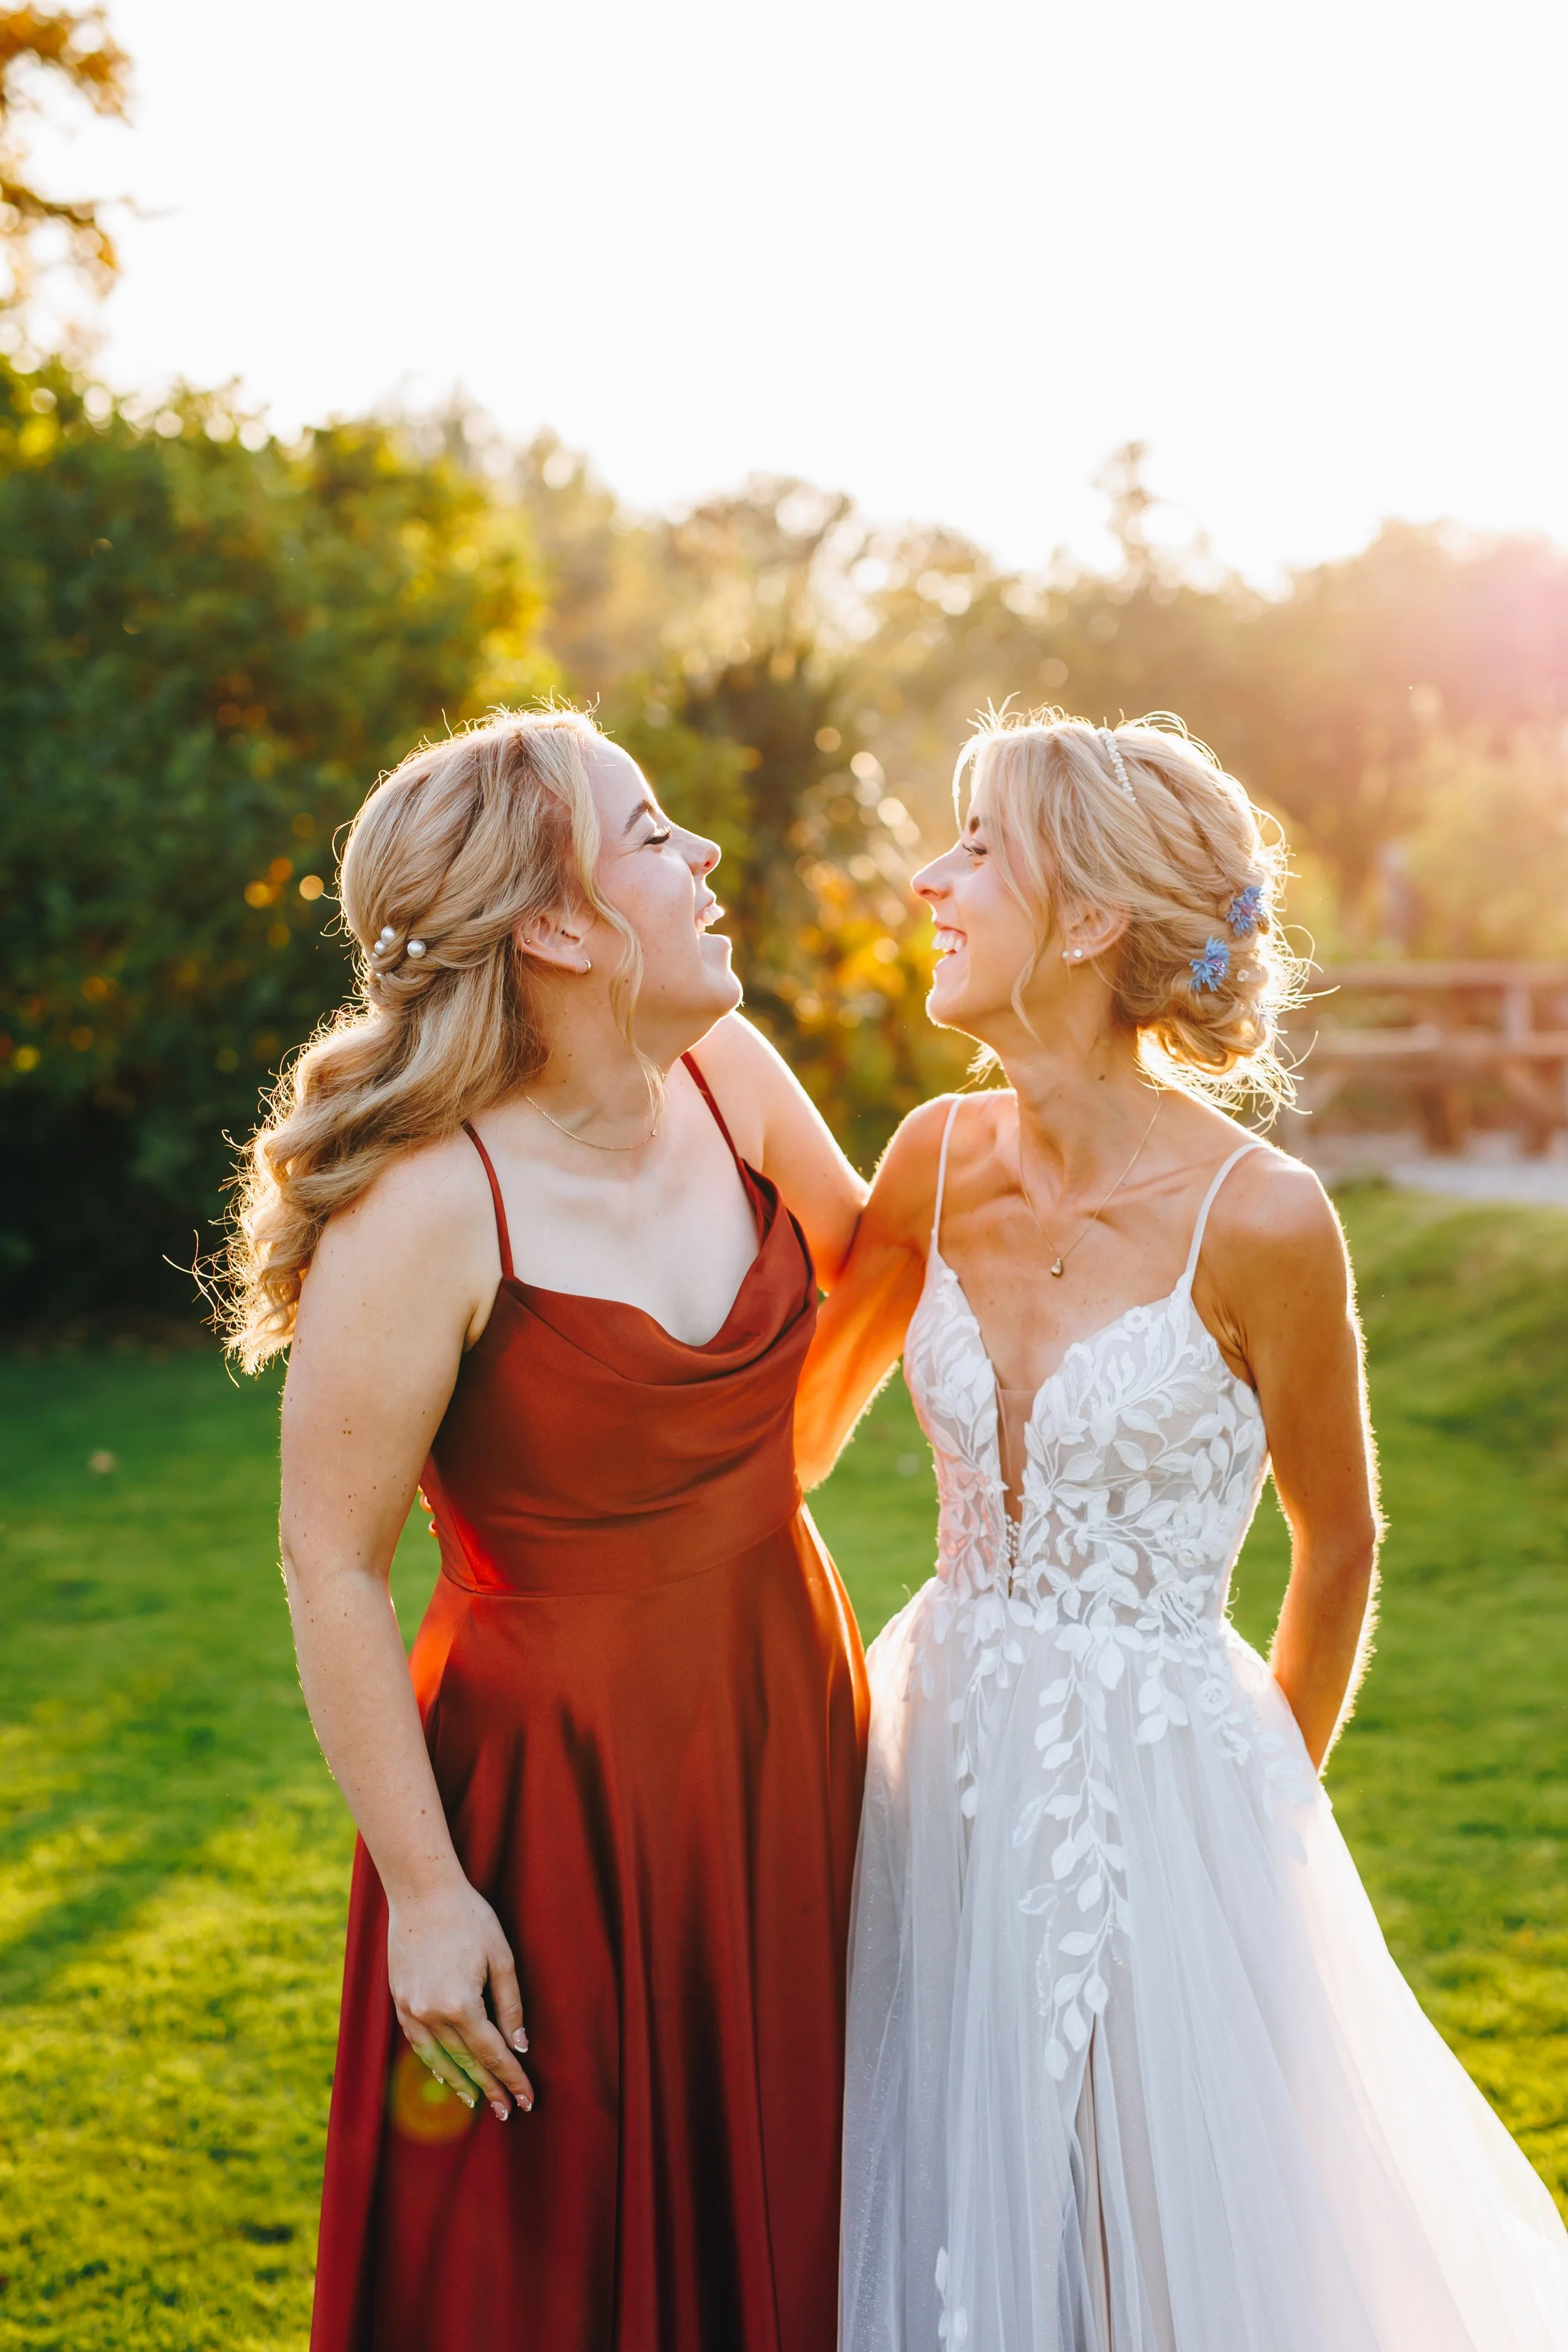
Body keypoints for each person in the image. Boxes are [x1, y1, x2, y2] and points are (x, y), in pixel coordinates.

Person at [798, 710, 1568, 2351]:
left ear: (1085, 921)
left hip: (1169, 1783)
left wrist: (1245, 1801)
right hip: (929, 1759)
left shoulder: (1265, 1220)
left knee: (1172, 2235)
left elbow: (1338, 1541)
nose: (930, 879)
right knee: (952, 2199)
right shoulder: (929, 1164)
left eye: (976, 846)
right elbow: (784, 1443)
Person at [227, 708, 870, 2352]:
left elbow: (877, 1280)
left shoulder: (730, 1077)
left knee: (805, 2177)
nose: (704, 855)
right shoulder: (428, 1202)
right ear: (559, 925)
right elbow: (331, 1564)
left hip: (786, 1707)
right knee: (559, 2254)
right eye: (654, 831)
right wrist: (429, 1893)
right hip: (558, 1787)